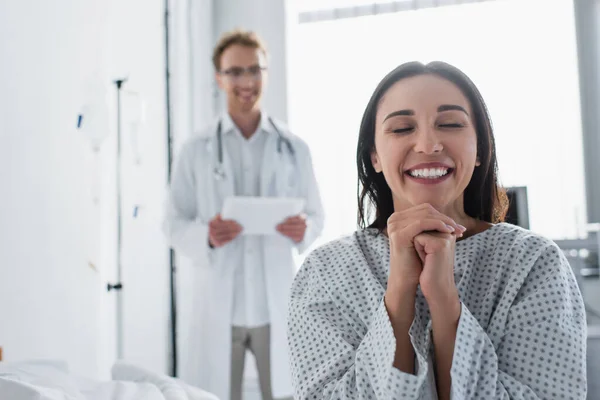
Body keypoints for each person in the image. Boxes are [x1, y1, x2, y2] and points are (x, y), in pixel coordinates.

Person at [287, 61, 587, 399]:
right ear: (375, 156)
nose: (428, 144)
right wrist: (399, 294)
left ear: (480, 149)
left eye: (450, 123)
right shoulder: (325, 271)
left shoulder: (535, 263)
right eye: (402, 129)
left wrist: (445, 300)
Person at [163, 29, 324, 400]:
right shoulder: (195, 150)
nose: (246, 81)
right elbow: (173, 222)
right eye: (235, 71)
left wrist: (303, 229)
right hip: (222, 302)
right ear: (219, 78)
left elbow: (317, 215)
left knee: (283, 393)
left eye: (255, 69)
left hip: (274, 298)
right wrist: (206, 235)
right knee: (217, 395)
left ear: (266, 74)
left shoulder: (294, 147)